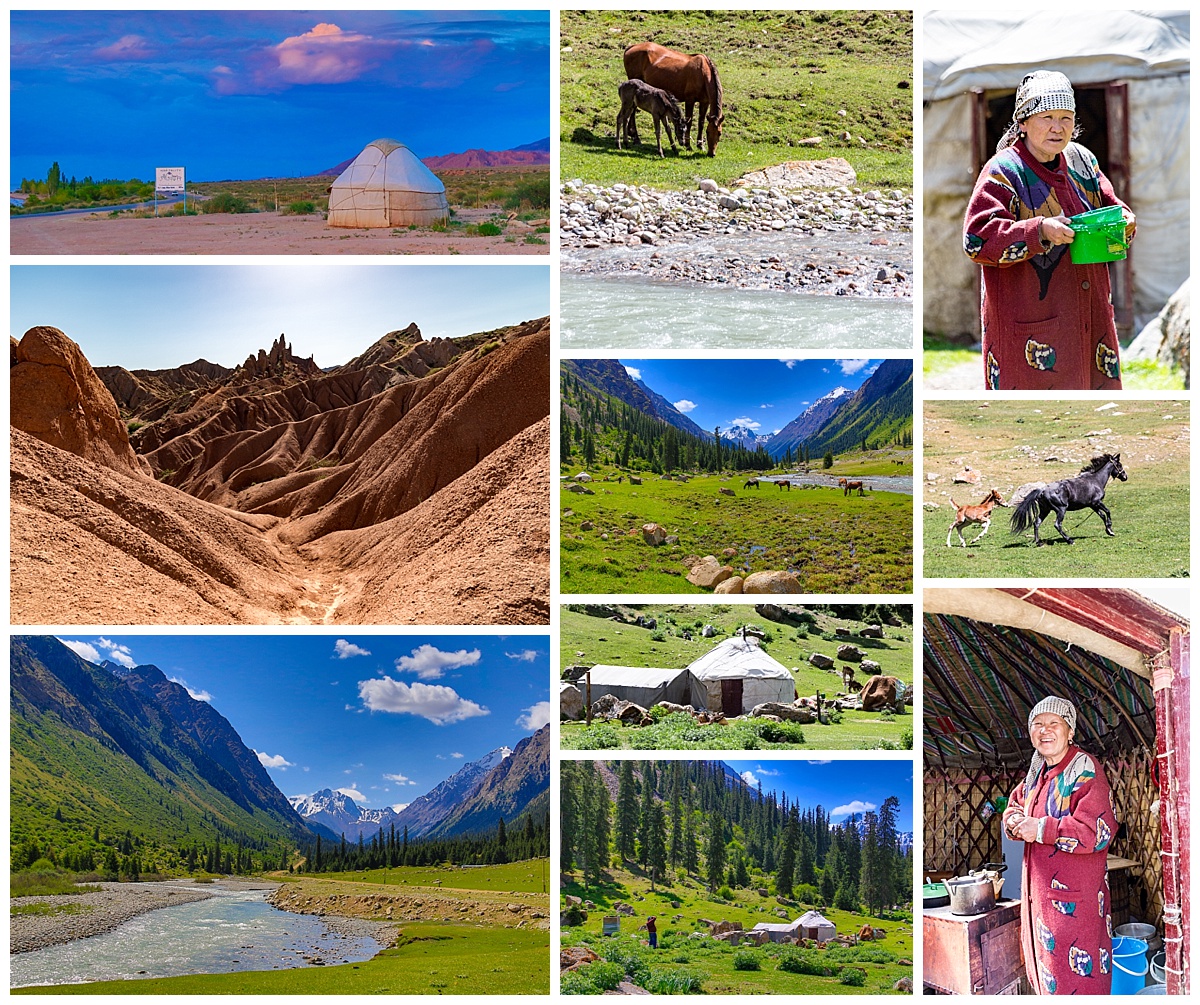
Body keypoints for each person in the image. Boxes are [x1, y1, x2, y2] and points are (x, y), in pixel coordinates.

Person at [963, 70, 1135, 390]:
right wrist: (1039, 231)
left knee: (1089, 415)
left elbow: (1113, 206)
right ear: (1024, 122)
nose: (1058, 127)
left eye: (1066, 117)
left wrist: (1125, 220)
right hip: (1033, 329)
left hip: (1090, 317)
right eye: (1047, 117)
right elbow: (976, 239)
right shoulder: (1004, 171)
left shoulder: (1083, 162)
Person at [1002, 697, 1117, 995]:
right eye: (1037, 725)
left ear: (1070, 731)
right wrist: (1015, 822)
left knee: (1079, 983)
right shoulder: (1037, 774)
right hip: (1041, 904)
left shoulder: (1084, 769)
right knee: (1048, 979)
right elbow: (1013, 805)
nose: (1045, 730)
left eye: (1054, 723)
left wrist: (1041, 828)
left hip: (1074, 907)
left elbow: (1097, 831)